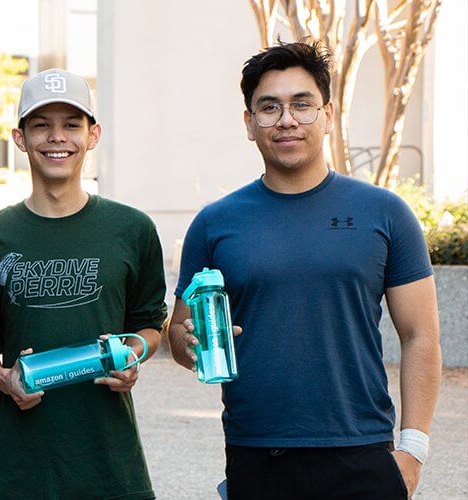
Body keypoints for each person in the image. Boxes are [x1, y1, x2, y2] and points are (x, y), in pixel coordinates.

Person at [167, 40, 441, 499]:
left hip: (363, 451)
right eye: (269, 107)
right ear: (250, 124)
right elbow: (178, 332)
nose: (286, 119)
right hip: (257, 453)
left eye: (302, 104)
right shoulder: (214, 224)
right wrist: (188, 342)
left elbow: (422, 335)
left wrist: (412, 451)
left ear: (328, 116)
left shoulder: (386, 213)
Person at [0, 69, 167, 499]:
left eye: (71, 124)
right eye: (41, 125)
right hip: (22, 469)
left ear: (93, 135)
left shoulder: (132, 229)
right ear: (20, 138)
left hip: (111, 468)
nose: (57, 138)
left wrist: (132, 355)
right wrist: (3, 376)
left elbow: (149, 325)